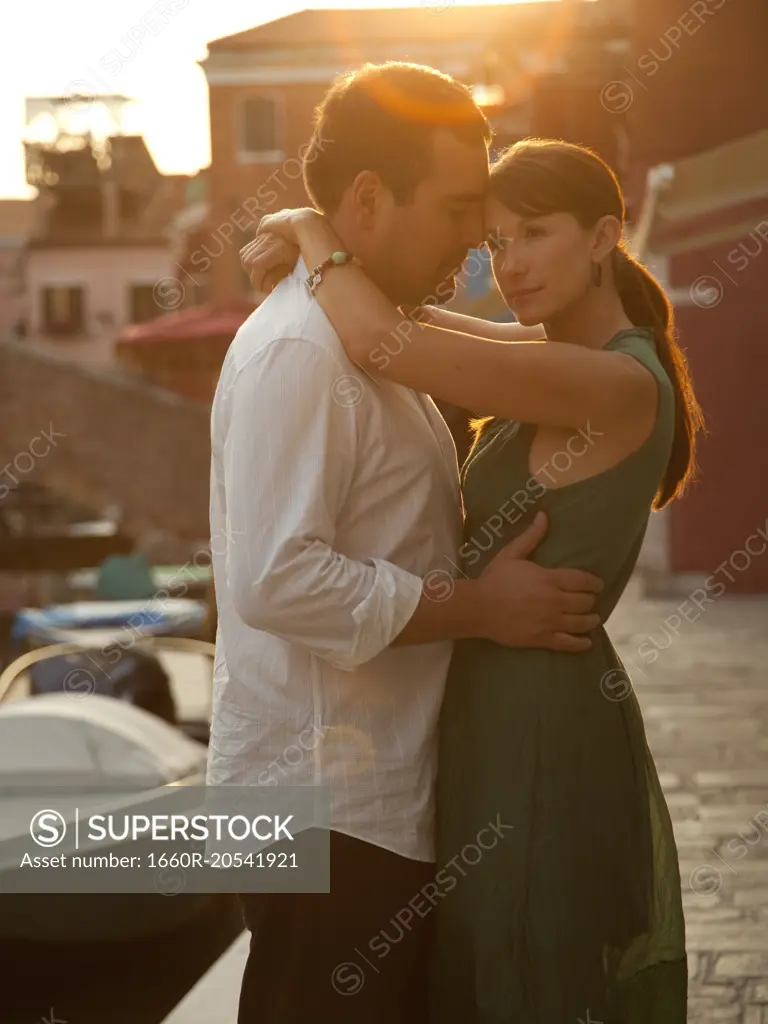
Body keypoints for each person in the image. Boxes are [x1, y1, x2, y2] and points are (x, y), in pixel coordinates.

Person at [242, 134, 704, 1019]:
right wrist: (327, 251)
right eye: (495, 241)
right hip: (488, 700)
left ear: (606, 235)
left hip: (538, 716)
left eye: (534, 234)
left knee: (522, 961)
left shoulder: (614, 381)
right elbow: (406, 322)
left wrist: (310, 227)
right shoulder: (545, 356)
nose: (512, 263)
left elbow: (384, 344)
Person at [209, 62, 605, 1024]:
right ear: (371, 200)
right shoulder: (304, 350)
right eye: (461, 206)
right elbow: (277, 580)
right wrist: (481, 607)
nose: (478, 238)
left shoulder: (372, 340)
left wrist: (311, 237)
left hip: (372, 807)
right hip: (324, 815)